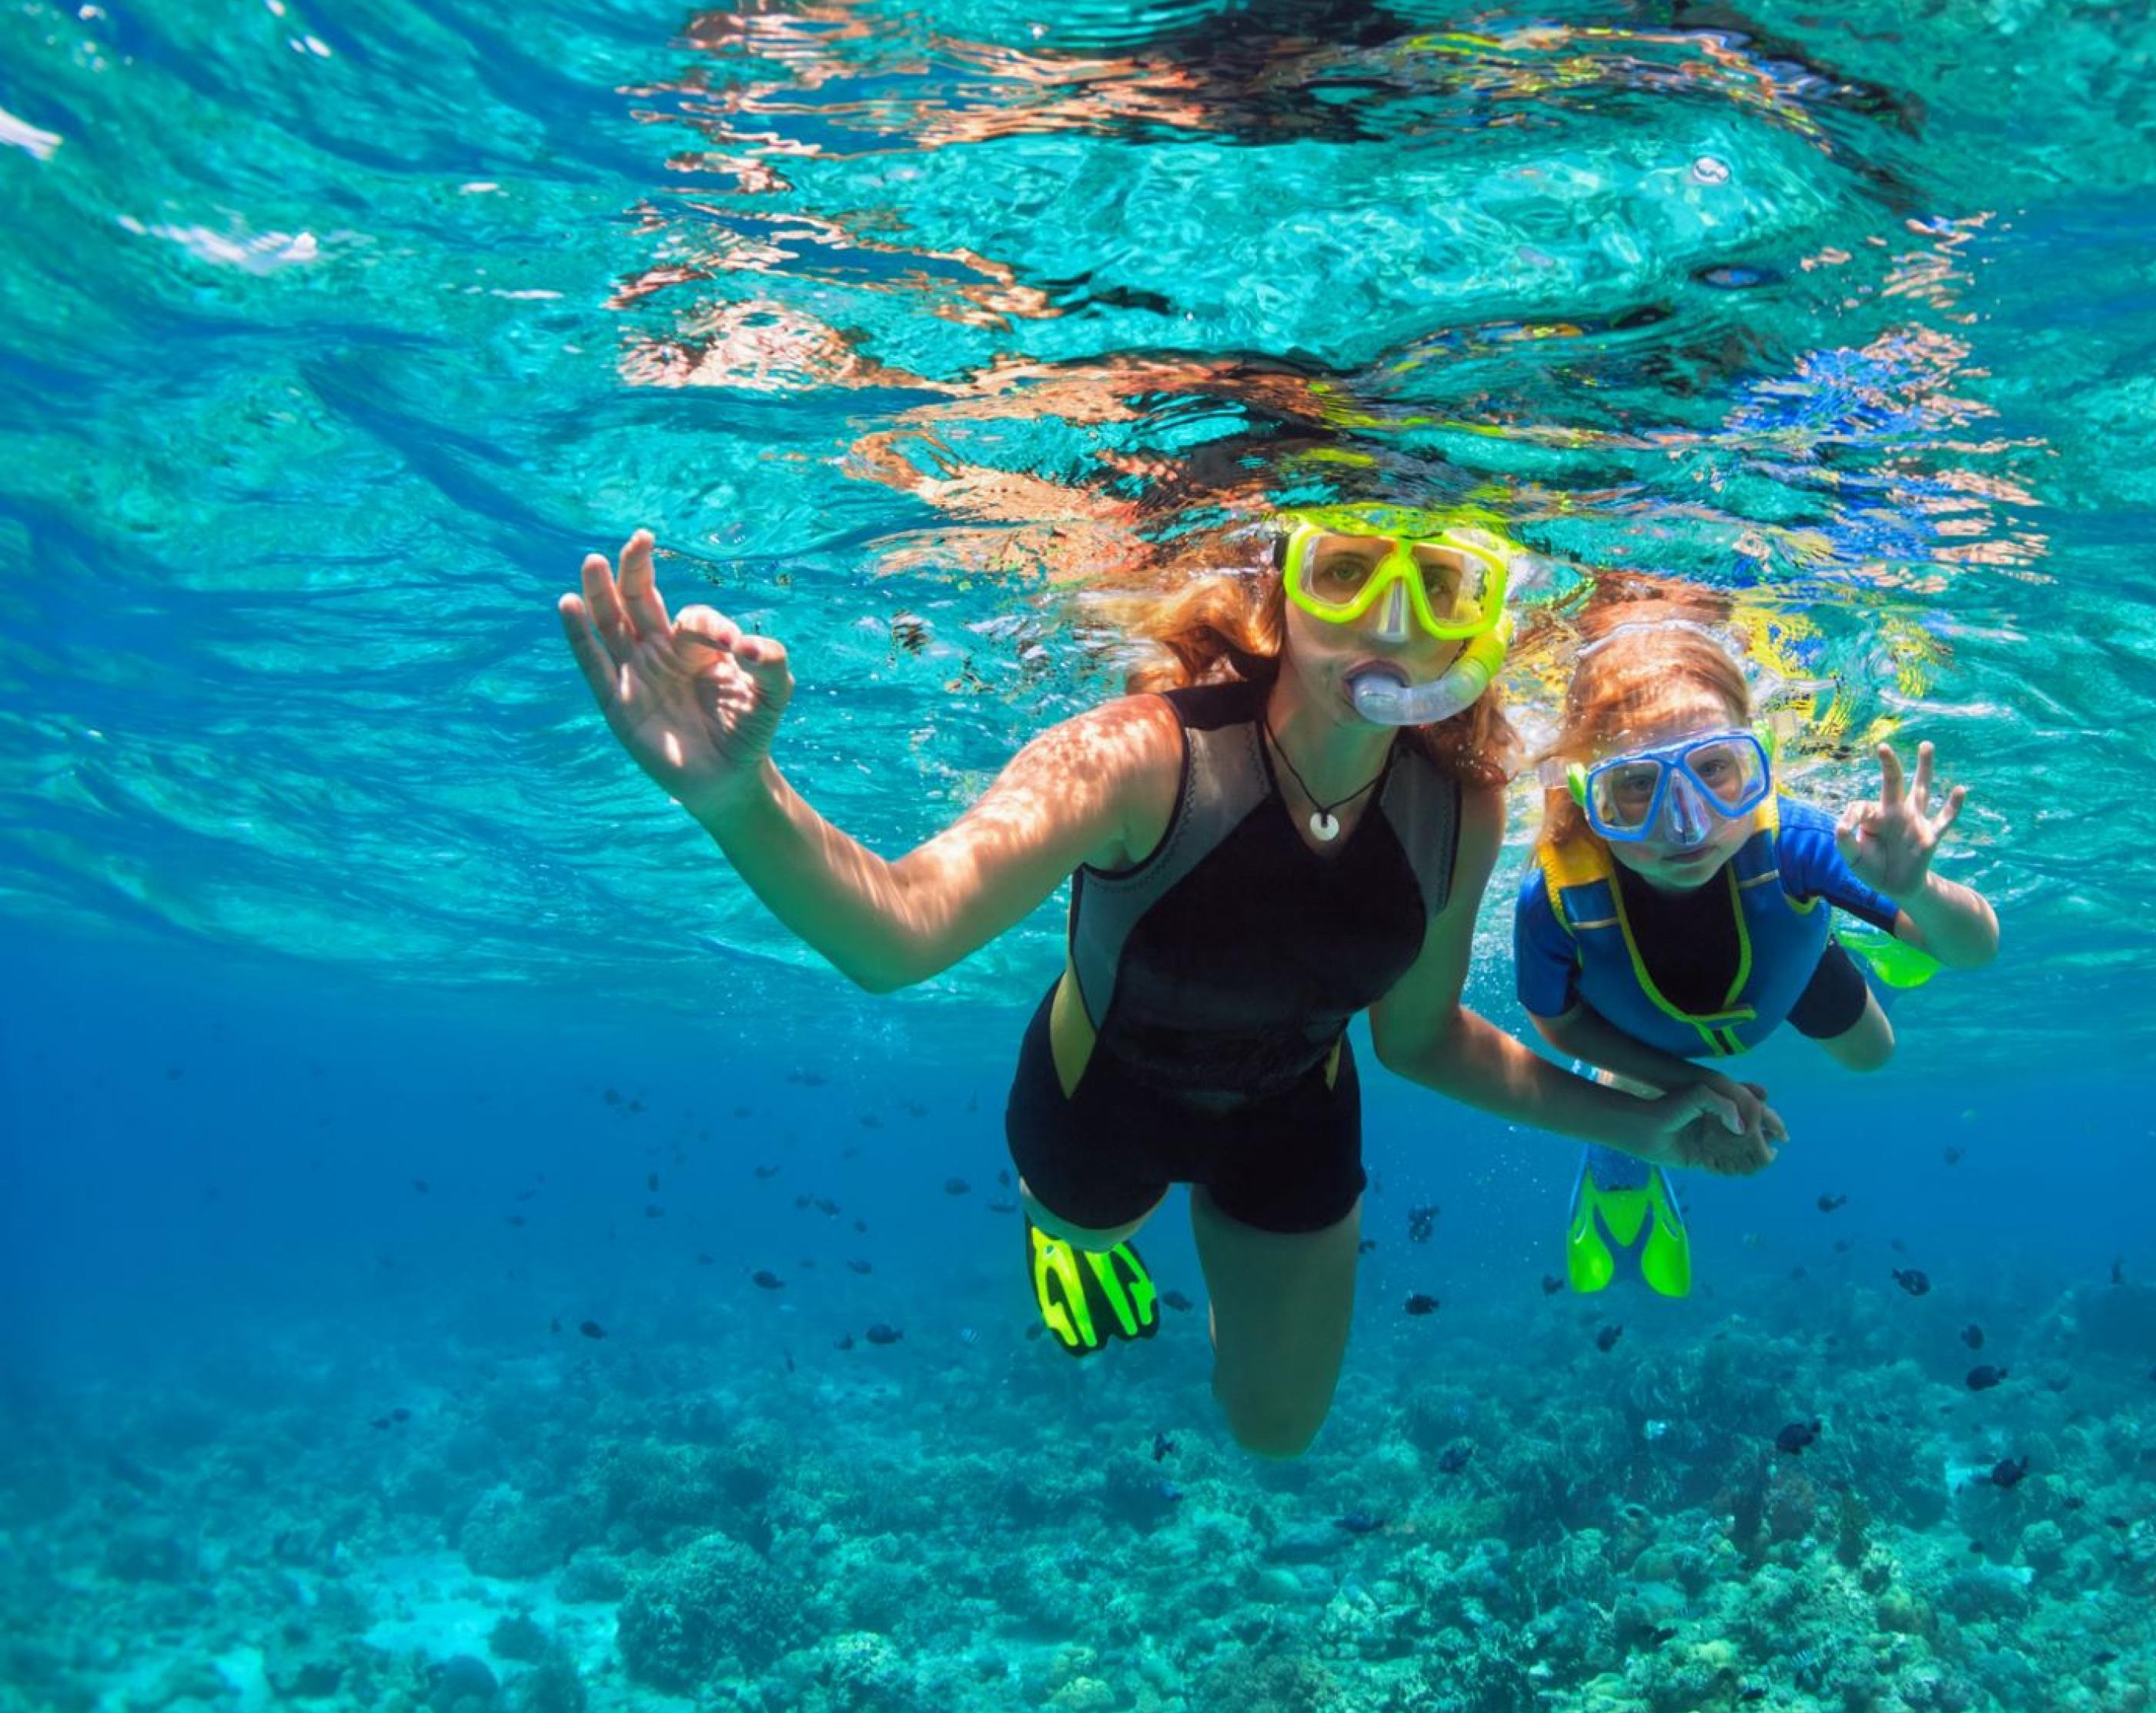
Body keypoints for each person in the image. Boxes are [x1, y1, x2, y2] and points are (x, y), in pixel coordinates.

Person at [558, 518, 1773, 1457]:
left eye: (1441, 587)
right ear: (1283, 590)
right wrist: (736, 797)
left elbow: (1419, 1041)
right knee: (1089, 1230)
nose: (1390, 624)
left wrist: (1645, 1121)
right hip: (1102, 1098)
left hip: (1297, 1110)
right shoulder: (1143, 753)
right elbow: (900, 935)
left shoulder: (1462, 802)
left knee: (1276, 1433)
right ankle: (1066, 1230)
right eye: (1348, 572)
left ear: (1476, 626)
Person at [1515, 585, 2000, 1299]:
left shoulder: (1799, 841)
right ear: (1590, 796)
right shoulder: (1557, 896)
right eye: (1637, 786)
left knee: (1875, 1055)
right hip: (1643, 1029)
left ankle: (1866, 924)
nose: (1686, 827)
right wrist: (1692, 1086)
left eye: (1715, 770)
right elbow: (1555, 1024)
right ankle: (1619, 1149)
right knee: (1645, 1086)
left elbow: (1975, 950)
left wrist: (1915, 892)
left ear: (1761, 761)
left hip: (1786, 963)